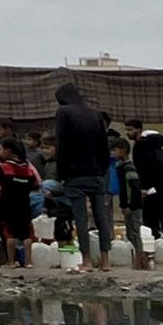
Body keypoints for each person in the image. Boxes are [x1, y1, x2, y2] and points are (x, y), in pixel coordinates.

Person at [53, 82, 114, 268]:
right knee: (101, 218)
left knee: (80, 218)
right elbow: (103, 147)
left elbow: (61, 144)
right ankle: (105, 261)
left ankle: (86, 261)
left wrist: (61, 172)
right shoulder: (94, 114)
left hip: (74, 174)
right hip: (96, 173)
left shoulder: (63, 113)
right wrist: (101, 170)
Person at [132, 129, 163, 243]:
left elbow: (149, 174)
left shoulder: (149, 155)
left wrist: (147, 189)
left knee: (152, 224)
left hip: (154, 194)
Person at [111, 137, 149, 263]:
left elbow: (133, 189)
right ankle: (138, 258)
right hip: (128, 205)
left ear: (124, 151)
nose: (113, 153)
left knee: (134, 233)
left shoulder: (129, 168)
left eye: (115, 150)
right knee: (130, 233)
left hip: (133, 206)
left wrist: (130, 206)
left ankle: (140, 258)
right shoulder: (120, 167)